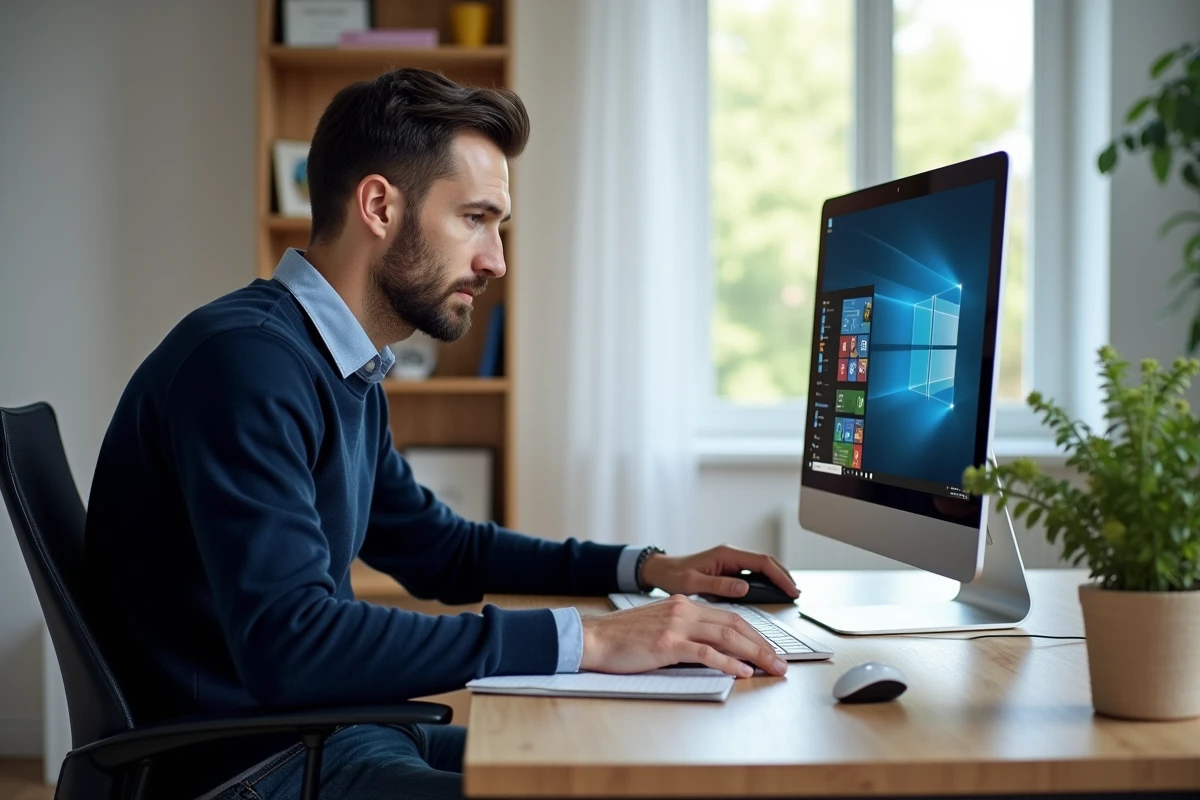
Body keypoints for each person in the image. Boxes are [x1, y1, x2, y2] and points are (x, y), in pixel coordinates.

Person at [84, 67, 798, 800]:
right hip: (251, 767)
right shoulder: (248, 363)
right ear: (379, 206)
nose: (495, 260)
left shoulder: (340, 365)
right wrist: (592, 638)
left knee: (640, 760)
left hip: (317, 731)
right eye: (475, 219)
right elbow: (290, 643)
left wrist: (647, 569)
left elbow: (440, 552)